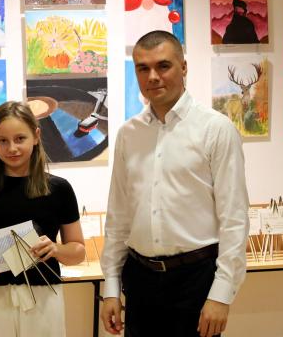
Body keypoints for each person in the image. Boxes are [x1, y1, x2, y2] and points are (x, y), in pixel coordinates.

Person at [100, 31, 250, 337]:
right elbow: (118, 216)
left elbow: (234, 218)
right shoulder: (128, 134)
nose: (153, 76)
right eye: (143, 68)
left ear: (183, 67)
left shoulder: (215, 129)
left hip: (195, 281)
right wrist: (111, 288)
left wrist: (221, 294)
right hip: (139, 280)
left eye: (163, 66)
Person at [0, 101, 86, 337]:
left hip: (44, 294)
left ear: (36, 136)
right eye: (2, 141)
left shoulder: (59, 189)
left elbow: (78, 251)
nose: (12, 148)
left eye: (20, 139)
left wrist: (55, 249)